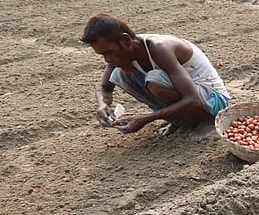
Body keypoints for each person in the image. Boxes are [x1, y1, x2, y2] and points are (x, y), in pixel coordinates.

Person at [81, 14, 230, 138]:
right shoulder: (122, 54)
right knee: (120, 74)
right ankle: (180, 120)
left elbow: (193, 99)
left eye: (109, 52)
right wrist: (102, 105)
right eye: (103, 55)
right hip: (194, 98)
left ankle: (207, 120)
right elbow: (104, 87)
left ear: (125, 41)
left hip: (214, 100)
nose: (107, 59)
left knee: (155, 79)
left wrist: (146, 119)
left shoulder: (160, 48)